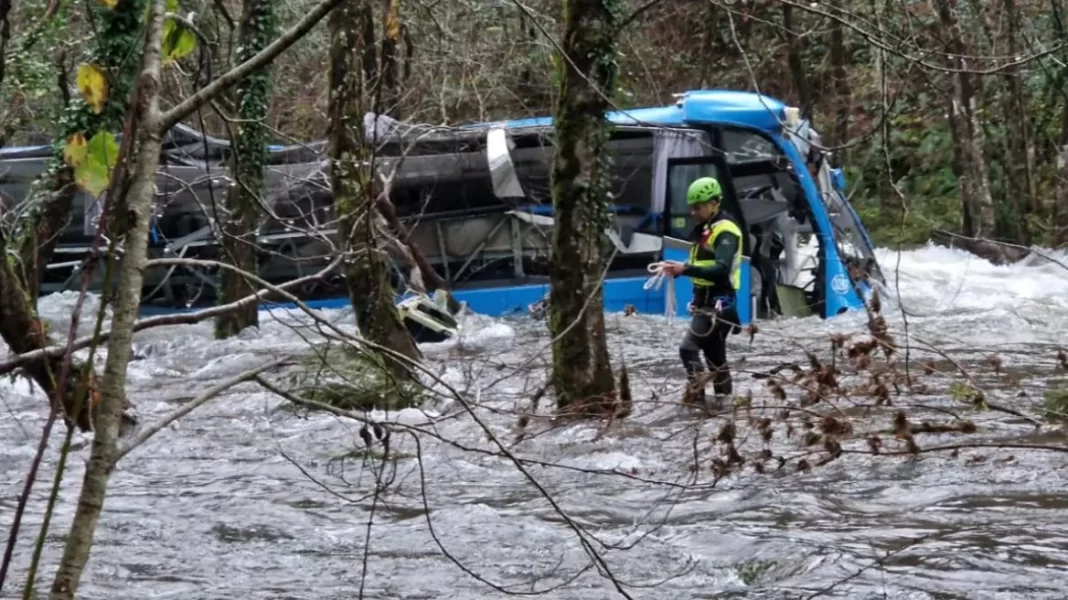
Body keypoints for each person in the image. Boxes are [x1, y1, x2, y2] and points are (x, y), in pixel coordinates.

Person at [660, 176, 743, 408]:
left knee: (688, 349)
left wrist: (684, 269)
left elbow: (721, 269)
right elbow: (704, 264)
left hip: (719, 304)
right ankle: (723, 407)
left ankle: (696, 403)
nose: (692, 212)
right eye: (691, 207)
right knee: (716, 360)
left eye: (697, 207)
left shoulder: (726, 231)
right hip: (706, 302)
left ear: (714, 203)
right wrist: (677, 269)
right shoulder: (708, 228)